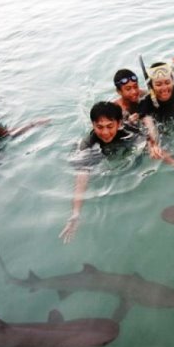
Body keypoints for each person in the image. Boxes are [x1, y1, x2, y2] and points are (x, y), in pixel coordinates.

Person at [59, 101, 140, 243]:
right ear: (93, 125)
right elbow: (81, 180)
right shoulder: (88, 146)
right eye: (99, 127)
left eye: (110, 126)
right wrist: (76, 214)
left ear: (118, 124)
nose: (105, 132)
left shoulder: (128, 132)